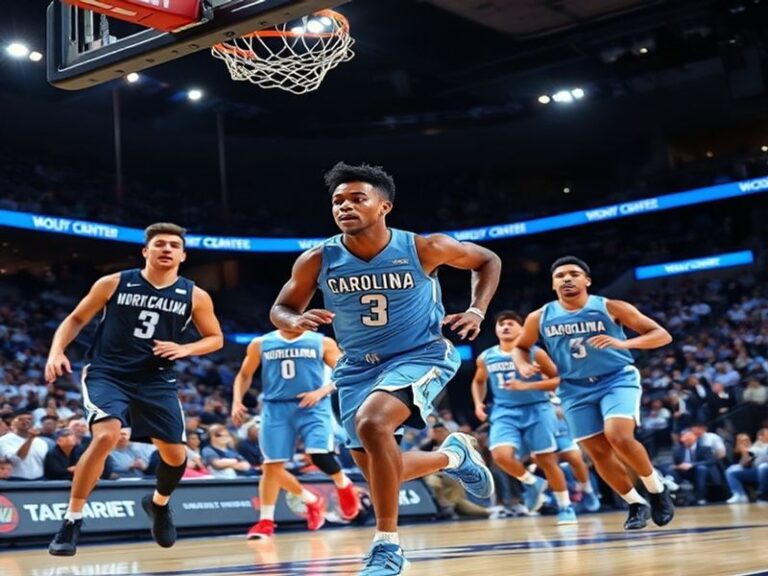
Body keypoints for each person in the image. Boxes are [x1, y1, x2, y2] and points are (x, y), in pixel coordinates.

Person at [270, 162, 500, 575]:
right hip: (356, 368)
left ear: (384, 206)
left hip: (420, 355)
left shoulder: (424, 247)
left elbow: (488, 260)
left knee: (374, 424)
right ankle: (454, 456)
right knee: (381, 468)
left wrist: (476, 311)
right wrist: (293, 321)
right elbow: (282, 307)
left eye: (358, 198)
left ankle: (387, 547)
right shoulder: (318, 259)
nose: (345, 207)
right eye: (338, 201)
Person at [45, 222, 224, 556]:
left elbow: (216, 338)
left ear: (183, 255)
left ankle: (158, 504)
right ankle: (72, 520)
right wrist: (56, 351)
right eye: (159, 244)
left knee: (175, 455)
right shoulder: (114, 282)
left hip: (156, 379)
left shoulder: (195, 295)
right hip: (108, 372)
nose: (167, 249)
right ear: (146, 251)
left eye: (174, 245)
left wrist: (185, 349)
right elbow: (75, 319)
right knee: (106, 436)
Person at [514, 256, 675, 531]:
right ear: (553, 284)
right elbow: (521, 347)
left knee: (618, 436)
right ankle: (636, 503)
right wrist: (523, 364)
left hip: (616, 379)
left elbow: (662, 335)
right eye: (560, 275)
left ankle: (657, 490)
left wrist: (624, 342)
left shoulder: (610, 307)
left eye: (574, 274)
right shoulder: (539, 317)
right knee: (598, 453)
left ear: (586, 280)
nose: (567, 279)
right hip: (573, 388)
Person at [232, 329, 359, 539]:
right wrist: (237, 400)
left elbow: (345, 373)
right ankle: (270, 520)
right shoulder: (261, 343)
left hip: (314, 405)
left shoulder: (322, 342)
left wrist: (320, 392)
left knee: (319, 456)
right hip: (276, 407)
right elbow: (244, 374)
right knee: (271, 467)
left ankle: (343, 484)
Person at [471, 310, 577, 524]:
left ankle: (565, 507)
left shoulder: (535, 353)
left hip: (537, 408)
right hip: (504, 411)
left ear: (522, 329)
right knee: (500, 456)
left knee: (547, 460)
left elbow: (558, 380)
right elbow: (479, 381)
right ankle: (533, 483)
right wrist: (478, 403)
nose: (506, 327)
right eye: (501, 323)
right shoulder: (486, 357)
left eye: (511, 323)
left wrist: (526, 386)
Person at [671, 429, 718, 504]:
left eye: (686, 438)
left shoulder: (704, 448)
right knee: (670, 471)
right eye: (683, 438)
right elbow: (674, 464)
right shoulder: (677, 450)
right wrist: (679, 466)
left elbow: (710, 461)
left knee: (701, 468)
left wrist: (692, 465)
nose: (684, 440)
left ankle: (701, 497)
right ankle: (677, 497)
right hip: (683, 472)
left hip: (701, 472)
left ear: (694, 438)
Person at [0, 411, 49, 480]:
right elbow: (16, 459)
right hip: (14, 480)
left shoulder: (41, 442)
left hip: (39, 480)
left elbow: (45, 463)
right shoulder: (3, 440)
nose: (26, 421)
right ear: (12, 423)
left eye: (29, 419)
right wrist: (30, 439)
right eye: (21, 419)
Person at [725, 429, 768, 504]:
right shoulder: (757, 446)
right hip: (757, 471)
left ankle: (763, 496)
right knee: (731, 471)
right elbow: (744, 463)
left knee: (763, 467)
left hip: (764, 469)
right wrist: (745, 453)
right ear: (761, 437)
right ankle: (740, 495)